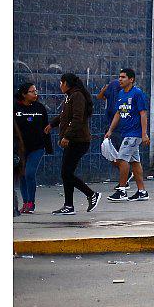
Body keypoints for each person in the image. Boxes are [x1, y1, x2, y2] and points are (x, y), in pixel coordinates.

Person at [50, 73, 100, 215]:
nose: (60, 85)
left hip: (78, 141)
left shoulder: (77, 96)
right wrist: (52, 124)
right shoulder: (70, 96)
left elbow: (77, 118)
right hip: (74, 140)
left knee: (66, 173)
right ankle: (69, 205)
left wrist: (67, 136)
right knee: (67, 173)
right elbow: (65, 116)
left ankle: (91, 194)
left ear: (66, 83)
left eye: (61, 83)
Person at [103, 68, 150, 202]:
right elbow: (118, 113)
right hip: (126, 133)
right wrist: (110, 130)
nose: (120, 79)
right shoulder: (121, 94)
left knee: (121, 159)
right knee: (135, 162)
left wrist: (144, 134)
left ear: (131, 79)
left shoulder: (137, 93)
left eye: (123, 77)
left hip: (134, 134)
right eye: (119, 77)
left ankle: (122, 190)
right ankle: (142, 192)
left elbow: (143, 114)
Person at [15, 82, 51, 214]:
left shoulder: (40, 108)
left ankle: (31, 202)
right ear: (24, 94)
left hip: (37, 147)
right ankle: (25, 202)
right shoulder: (15, 108)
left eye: (36, 91)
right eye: (32, 91)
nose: (35, 94)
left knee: (29, 173)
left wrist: (48, 147)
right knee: (22, 175)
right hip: (20, 148)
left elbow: (46, 128)